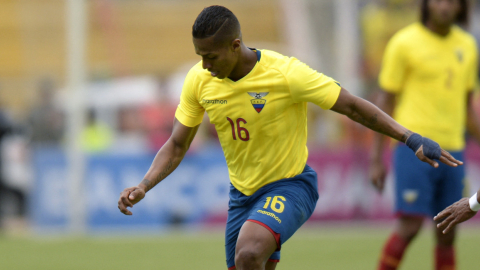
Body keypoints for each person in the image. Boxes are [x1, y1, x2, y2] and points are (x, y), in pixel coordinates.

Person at [118, 5, 462, 270]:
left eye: (211, 56)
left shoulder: (286, 74)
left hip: (291, 186)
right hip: (242, 196)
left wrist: (410, 137)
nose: (205, 65)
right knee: (249, 262)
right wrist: (145, 184)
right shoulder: (199, 80)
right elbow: (178, 144)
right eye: (200, 57)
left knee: (249, 252)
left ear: (235, 45)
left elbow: (354, 108)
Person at [369, 0, 479, 269]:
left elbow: (467, 106)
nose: (444, 6)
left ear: (461, 7)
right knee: (410, 226)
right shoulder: (404, 42)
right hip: (414, 150)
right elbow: (385, 102)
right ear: (426, 4)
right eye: (438, 0)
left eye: (452, 1)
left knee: (448, 230)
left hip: (454, 150)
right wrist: (376, 158)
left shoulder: (467, 45)